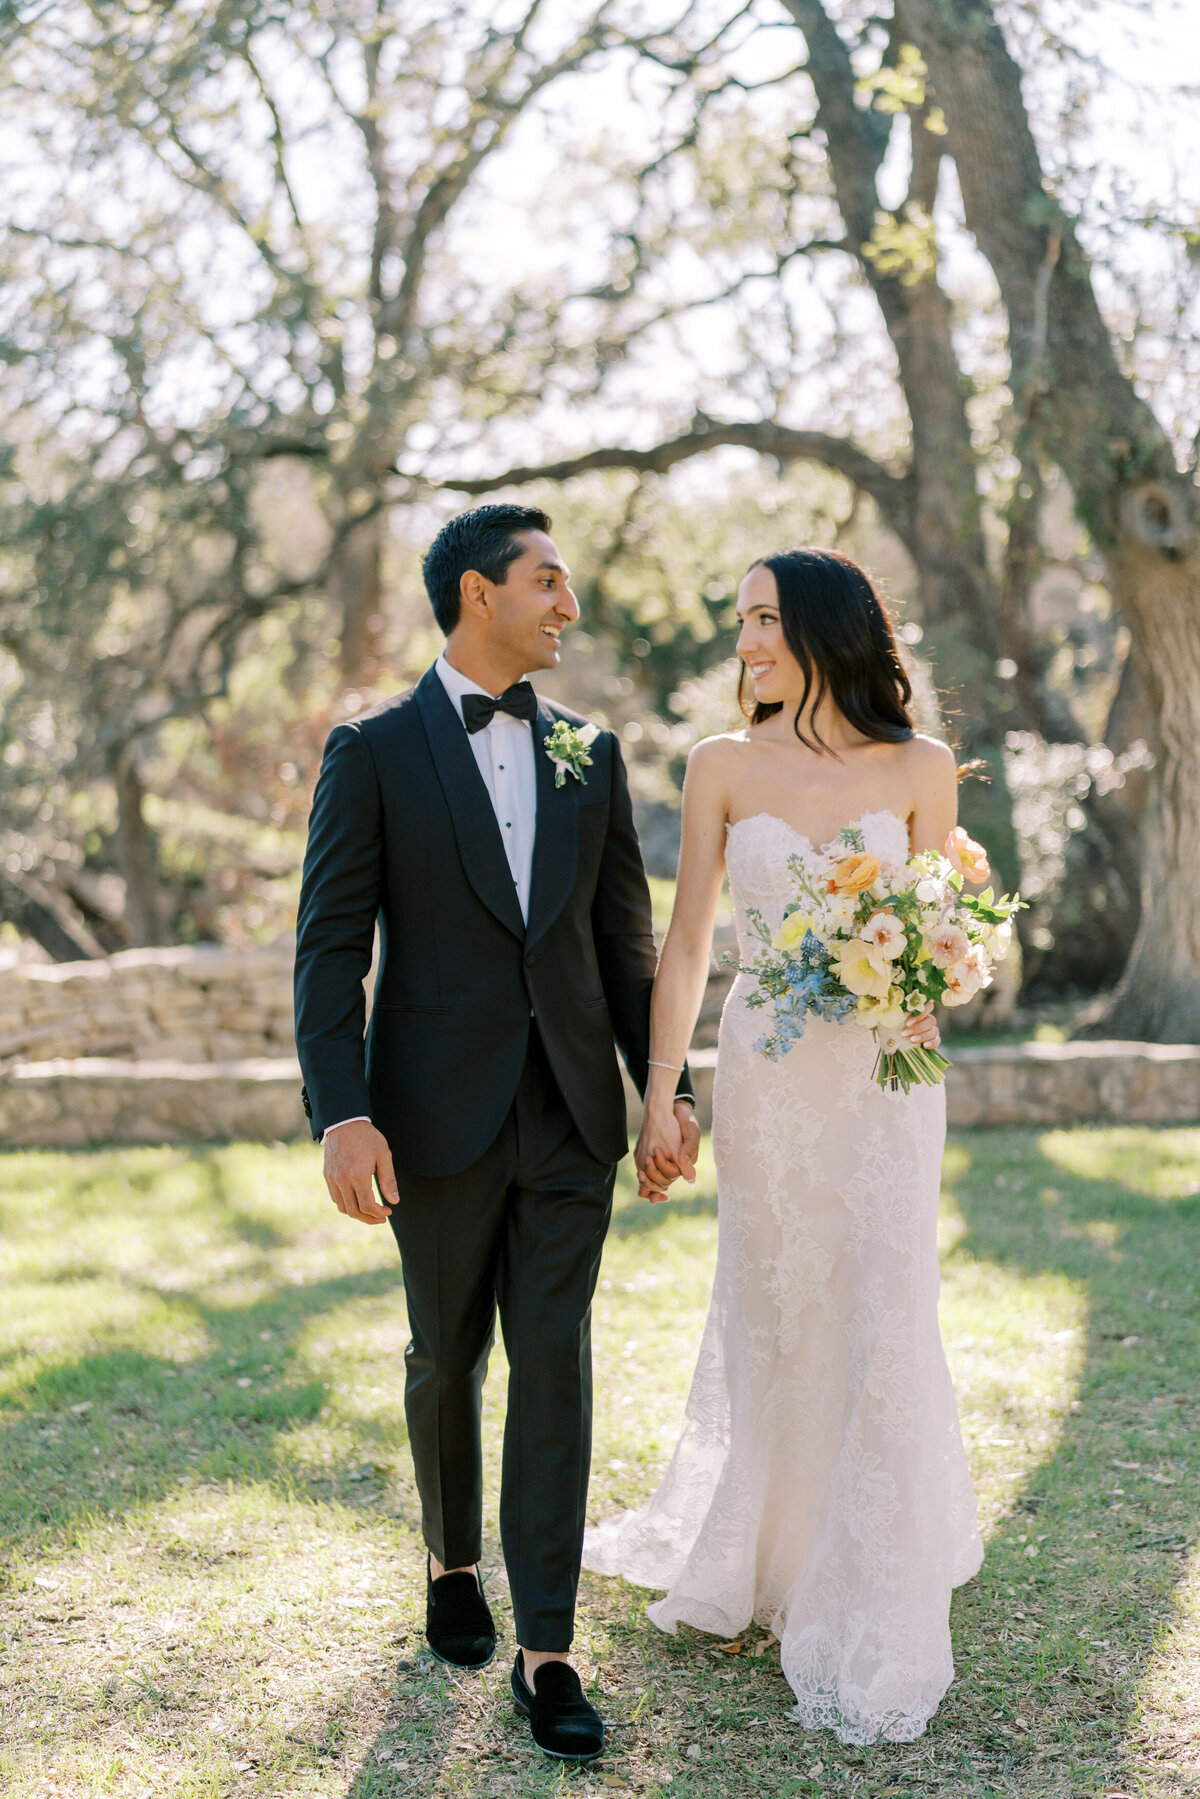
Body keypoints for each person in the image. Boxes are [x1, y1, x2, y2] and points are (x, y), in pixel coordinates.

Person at [292, 503, 699, 1765]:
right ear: (478, 592)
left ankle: (551, 1647)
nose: (567, 605)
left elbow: (625, 946)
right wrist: (342, 1108)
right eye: (548, 582)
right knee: (444, 1355)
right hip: (431, 1119)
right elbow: (329, 949)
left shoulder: (594, 750)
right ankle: (450, 1556)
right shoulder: (371, 752)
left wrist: (666, 1087)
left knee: (557, 1362)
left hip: (572, 1114)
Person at [582, 548, 984, 1745]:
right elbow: (690, 941)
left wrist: (930, 988)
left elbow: (941, 925)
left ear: (820, 627)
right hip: (768, 1069)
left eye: (762, 617)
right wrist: (663, 1093)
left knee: (881, 1299)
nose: (744, 639)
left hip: (882, 1079)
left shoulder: (920, 766)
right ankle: (775, 1548)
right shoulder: (720, 765)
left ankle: (870, 1567)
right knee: (780, 1299)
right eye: (739, 619)